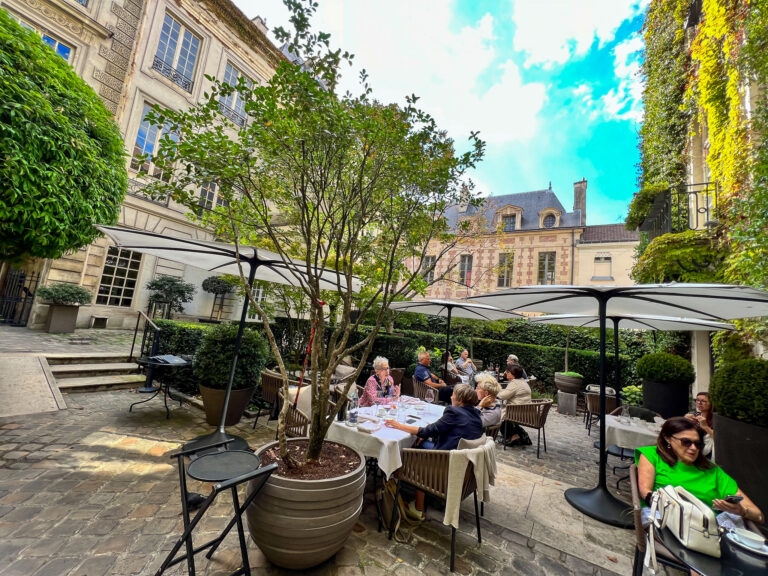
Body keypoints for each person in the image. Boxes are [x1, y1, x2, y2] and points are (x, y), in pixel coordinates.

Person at [636, 417, 764, 528]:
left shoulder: (712, 471)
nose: (693, 448)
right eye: (686, 442)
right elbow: (645, 492)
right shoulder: (652, 455)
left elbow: (758, 515)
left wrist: (742, 511)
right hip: (666, 520)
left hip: (708, 531)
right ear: (668, 438)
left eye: (697, 444)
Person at [385, 384, 483, 519]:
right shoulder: (476, 414)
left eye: (453, 394)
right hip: (465, 468)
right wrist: (423, 435)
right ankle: (423, 494)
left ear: (459, 400)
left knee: (405, 451)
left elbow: (427, 430)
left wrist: (398, 425)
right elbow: (450, 432)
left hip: (444, 465)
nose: (451, 396)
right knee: (419, 442)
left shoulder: (454, 412)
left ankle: (417, 506)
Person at [686, 391, 714, 457]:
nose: (699, 403)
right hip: (692, 448)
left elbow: (718, 438)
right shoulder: (695, 415)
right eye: (697, 400)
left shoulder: (715, 419)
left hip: (707, 452)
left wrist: (705, 427)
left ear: (711, 403)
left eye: (703, 401)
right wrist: (684, 420)